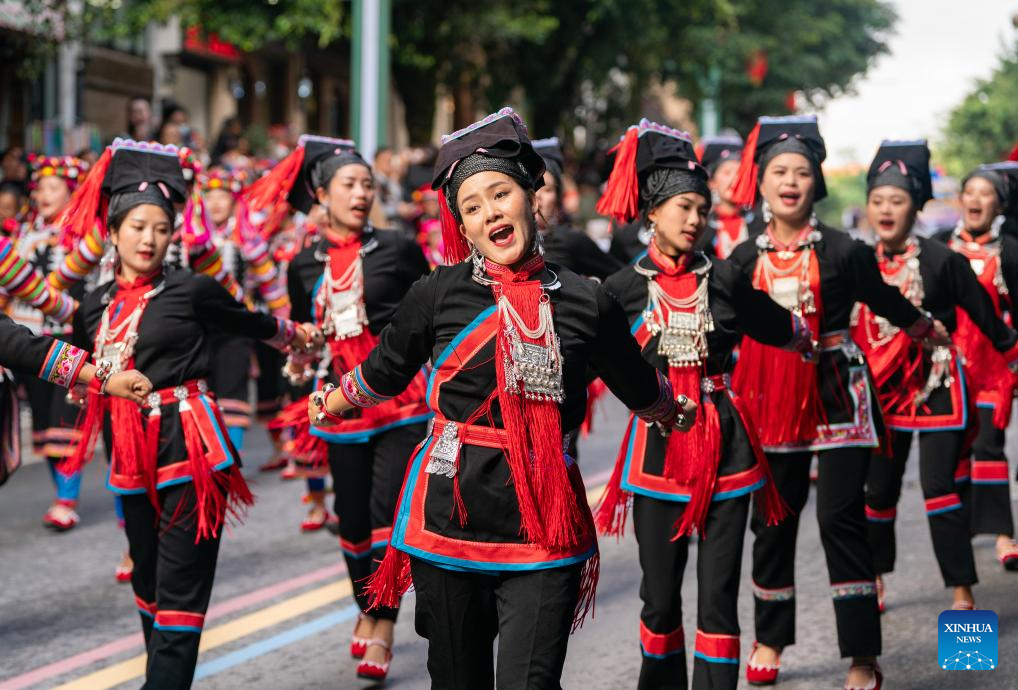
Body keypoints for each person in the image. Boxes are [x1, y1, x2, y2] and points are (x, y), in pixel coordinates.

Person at [308, 107, 696, 690]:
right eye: (472, 206)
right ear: (461, 227)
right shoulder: (437, 294)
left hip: (544, 520)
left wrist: (669, 408)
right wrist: (335, 400)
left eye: (500, 194)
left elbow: (634, 380)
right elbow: (387, 368)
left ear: (531, 198)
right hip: (449, 515)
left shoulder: (587, 301)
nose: (490, 211)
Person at [60, 138, 310, 690]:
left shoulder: (192, 288)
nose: (149, 239)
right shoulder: (95, 302)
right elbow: (85, 361)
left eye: (161, 228)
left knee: (180, 587)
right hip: (127, 451)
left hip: (192, 449)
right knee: (147, 583)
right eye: (137, 227)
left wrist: (295, 336)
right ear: (115, 231)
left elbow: (246, 320)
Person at [727, 115, 948, 690]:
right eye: (779, 171)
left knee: (839, 519)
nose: (791, 180)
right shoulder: (741, 258)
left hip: (837, 394)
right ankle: (771, 639)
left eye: (802, 171)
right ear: (763, 182)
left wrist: (923, 326)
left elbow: (884, 298)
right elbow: (722, 323)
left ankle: (861, 655)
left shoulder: (847, 251)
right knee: (773, 521)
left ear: (816, 183)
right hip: (770, 397)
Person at [594, 119, 807, 690]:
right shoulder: (618, 291)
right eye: (683, 207)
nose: (694, 220)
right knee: (659, 599)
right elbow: (584, 357)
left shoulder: (727, 280)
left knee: (718, 597)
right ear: (652, 214)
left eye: (702, 210)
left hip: (726, 446)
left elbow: (784, 328)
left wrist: (815, 341)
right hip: (658, 452)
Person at [247, 134, 432, 680]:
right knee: (350, 523)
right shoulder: (302, 264)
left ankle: (382, 625)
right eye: (349, 185)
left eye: (367, 185)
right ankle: (367, 609)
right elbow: (307, 336)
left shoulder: (398, 248)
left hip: (402, 401)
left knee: (385, 519)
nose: (361, 193)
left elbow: (430, 317)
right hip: (339, 404)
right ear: (321, 194)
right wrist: (298, 372)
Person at [856, 141, 1018, 613]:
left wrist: (1011, 354)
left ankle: (963, 596)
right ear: (868, 206)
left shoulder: (942, 260)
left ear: (918, 206)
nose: (886, 209)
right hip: (881, 394)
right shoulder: (857, 260)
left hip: (937, 387)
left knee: (939, 486)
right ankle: (875, 580)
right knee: (879, 491)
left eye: (898, 200)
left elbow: (989, 320)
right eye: (879, 200)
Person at [937, 160, 1018, 571]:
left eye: (986, 194)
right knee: (956, 451)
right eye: (970, 192)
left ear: (999, 204)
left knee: (990, 445)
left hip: (994, 367)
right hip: (949, 367)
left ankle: (1004, 534)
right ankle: (961, 528)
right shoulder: (938, 247)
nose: (976, 200)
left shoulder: (1010, 252)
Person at [12, 154, 91, 529]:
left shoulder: (85, 236)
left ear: (71, 192)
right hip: (28, 339)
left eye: (54, 187)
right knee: (43, 424)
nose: (45, 194)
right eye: (41, 187)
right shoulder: (23, 236)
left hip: (67, 338)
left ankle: (66, 499)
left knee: (65, 418)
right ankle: (61, 493)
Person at [534, 136, 622, 281]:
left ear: (558, 196)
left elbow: (620, 278)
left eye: (547, 189)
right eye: (530, 188)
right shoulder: (502, 246)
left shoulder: (570, 241)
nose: (537, 197)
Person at [695, 134, 761, 259]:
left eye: (739, 173)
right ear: (712, 182)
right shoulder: (701, 228)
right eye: (727, 173)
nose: (734, 179)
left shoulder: (759, 225)